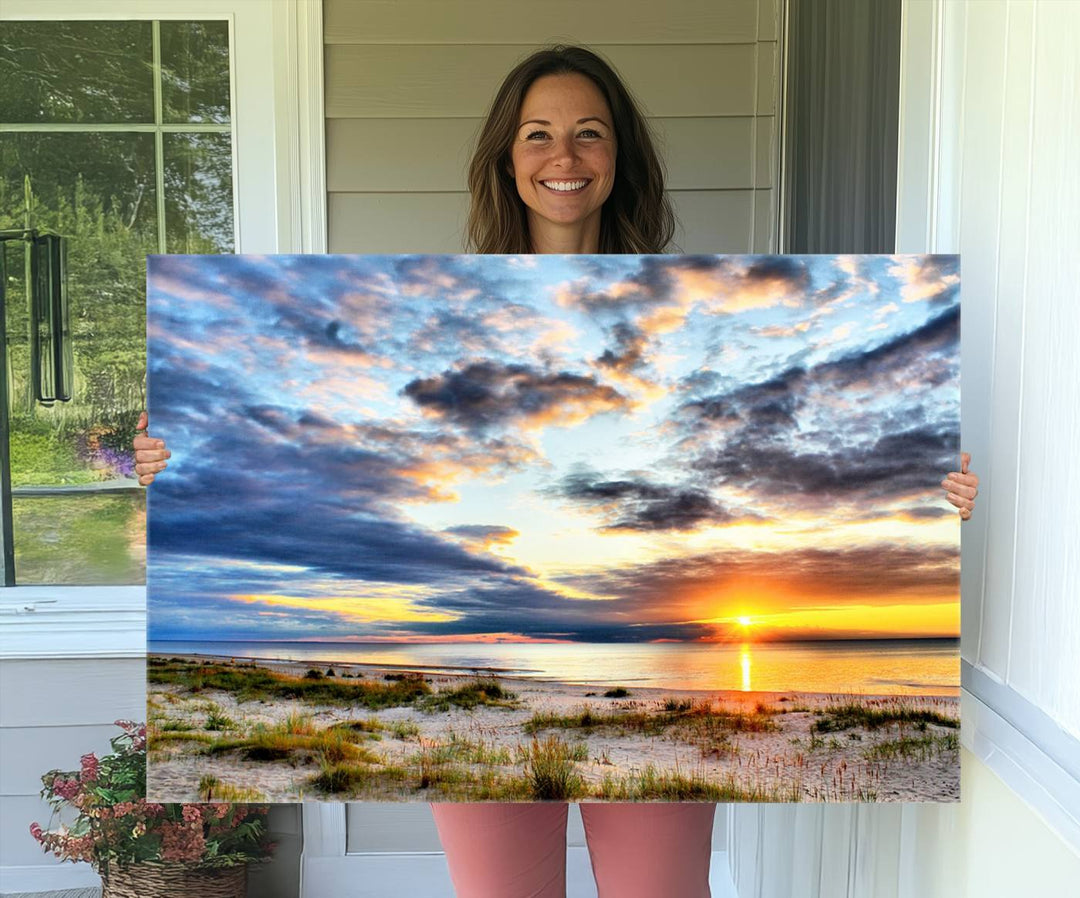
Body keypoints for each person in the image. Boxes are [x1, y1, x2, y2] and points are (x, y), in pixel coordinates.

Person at [134, 45, 979, 898]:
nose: (564, 157)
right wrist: (176, 464)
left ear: (620, 158)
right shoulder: (431, 307)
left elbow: (781, 470)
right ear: (507, 158)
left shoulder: (696, 306)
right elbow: (303, 445)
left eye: (589, 134)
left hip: (661, 687)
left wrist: (932, 499)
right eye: (538, 135)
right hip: (485, 693)